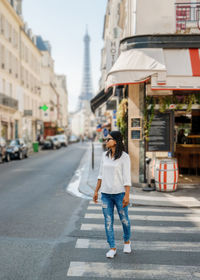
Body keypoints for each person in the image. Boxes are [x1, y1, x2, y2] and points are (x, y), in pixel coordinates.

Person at [93, 130, 132, 258]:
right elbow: (100, 175)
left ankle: (127, 242)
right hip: (105, 194)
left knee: (124, 219)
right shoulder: (104, 156)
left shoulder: (125, 157)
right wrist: (96, 191)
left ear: (115, 141)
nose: (106, 141)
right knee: (108, 221)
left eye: (108, 139)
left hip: (120, 193)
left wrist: (127, 195)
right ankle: (112, 247)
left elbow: (127, 177)